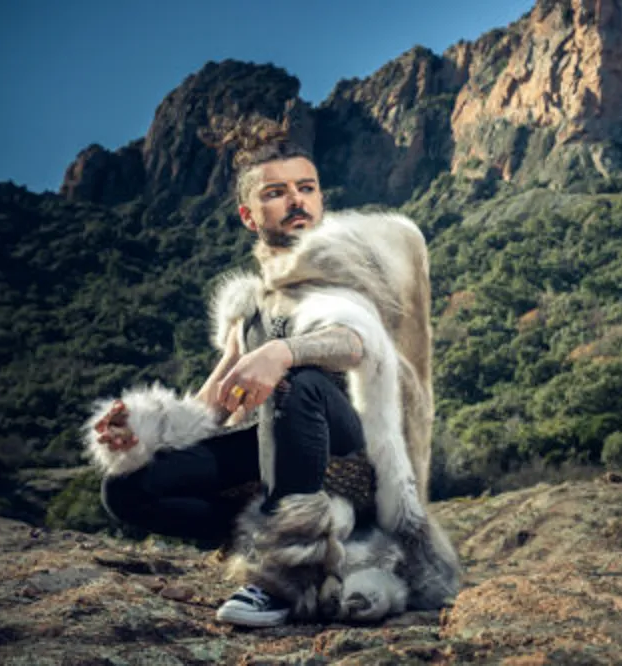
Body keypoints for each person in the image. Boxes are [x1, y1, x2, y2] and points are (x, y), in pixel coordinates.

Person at [85, 137, 458, 627]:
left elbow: (355, 342)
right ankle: (277, 542)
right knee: (126, 489)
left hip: (351, 458)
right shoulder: (254, 304)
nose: (296, 199)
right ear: (248, 215)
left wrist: (282, 352)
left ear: (322, 200)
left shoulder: (348, 269)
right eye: (276, 192)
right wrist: (143, 433)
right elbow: (216, 404)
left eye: (306, 188)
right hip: (272, 458)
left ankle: (287, 578)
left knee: (297, 382)